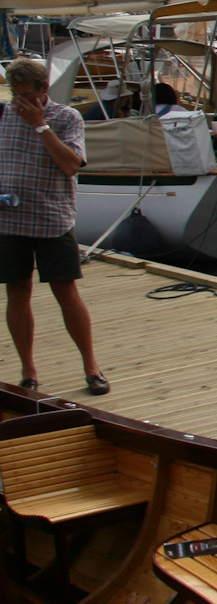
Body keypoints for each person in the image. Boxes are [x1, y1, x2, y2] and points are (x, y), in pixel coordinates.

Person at [0, 58, 106, 394]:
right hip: (9, 219)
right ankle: (29, 371)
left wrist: (39, 125)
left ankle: (92, 367)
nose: (22, 103)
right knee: (17, 291)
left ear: (44, 89)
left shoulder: (67, 117)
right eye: (16, 96)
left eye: (28, 96)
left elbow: (72, 165)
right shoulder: (2, 115)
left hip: (52, 218)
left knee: (65, 291)